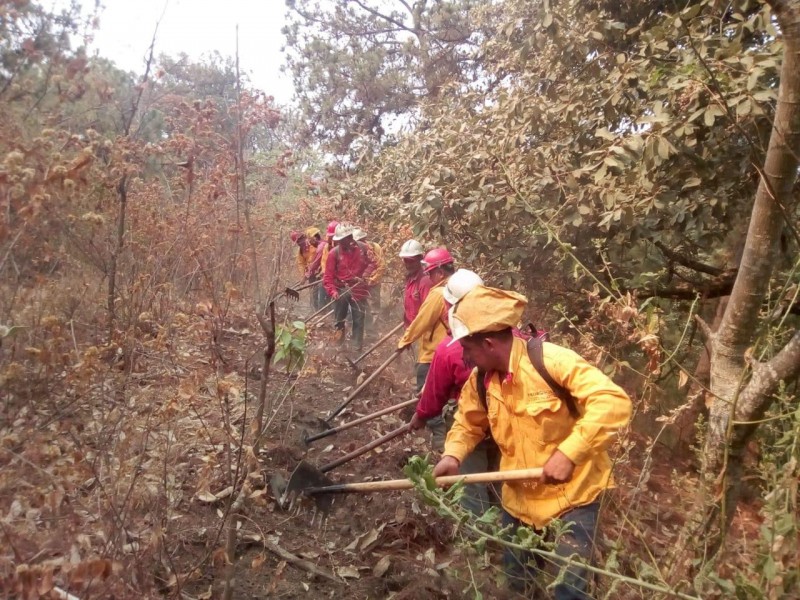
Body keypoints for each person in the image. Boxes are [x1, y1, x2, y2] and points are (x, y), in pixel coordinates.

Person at [433, 286, 632, 599]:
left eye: (467, 349)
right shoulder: (480, 381)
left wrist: (569, 452)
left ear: (487, 342)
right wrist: (452, 455)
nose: (464, 356)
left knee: (569, 590)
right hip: (518, 507)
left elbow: (613, 401)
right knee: (518, 588)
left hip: (573, 502)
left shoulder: (550, 361)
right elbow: (468, 423)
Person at [409, 269, 492, 515]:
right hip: (506, 419)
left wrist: (420, 416)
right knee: (501, 480)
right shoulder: (508, 333)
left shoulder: (449, 348)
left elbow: (434, 396)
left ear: (449, 304)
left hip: (471, 423)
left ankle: (476, 541)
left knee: (471, 487)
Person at [397, 247, 455, 392]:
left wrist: (405, 340)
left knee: (426, 397)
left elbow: (422, 321)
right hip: (453, 353)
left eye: (430, 273)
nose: (428, 277)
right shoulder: (458, 288)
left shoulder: (438, 293)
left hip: (433, 355)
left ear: (440, 273)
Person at [323, 223, 377, 351]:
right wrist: (333, 291)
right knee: (339, 320)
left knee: (359, 320)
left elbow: (373, 262)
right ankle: (338, 347)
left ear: (350, 237)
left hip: (359, 288)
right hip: (341, 289)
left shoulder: (364, 248)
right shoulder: (333, 253)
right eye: (340, 240)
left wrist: (365, 274)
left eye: (344, 239)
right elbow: (328, 277)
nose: (342, 242)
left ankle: (356, 347)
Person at [353, 228, 385, 327]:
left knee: (374, 307)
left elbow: (381, 266)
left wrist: (372, 279)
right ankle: (365, 328)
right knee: (361, 306)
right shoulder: (355, 249)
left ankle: (373, 331)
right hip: (361, 282)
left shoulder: (375, 248)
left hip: (373, 281)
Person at [306, 221, 338, 309]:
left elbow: (316, 263)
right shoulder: (326, 246)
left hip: (337, 278)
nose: (309, 242)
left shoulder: (322, 247)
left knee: (322, 293)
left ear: (314, 238)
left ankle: (322, 313)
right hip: (328, 275)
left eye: (310, 239)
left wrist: (309, 274)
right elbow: (324, 263)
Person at [399, 240, 431, 327]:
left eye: (412, 261)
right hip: (411, 328)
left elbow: (428, 312)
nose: (408, 265)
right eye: (406, 261)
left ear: (420, 259)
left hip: (421, 330)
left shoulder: (425, 280)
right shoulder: (410, 278)